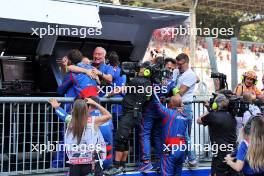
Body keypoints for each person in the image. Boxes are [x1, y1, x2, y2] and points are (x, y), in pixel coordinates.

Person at [104, 63, 152, 175]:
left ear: (146, 71)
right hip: (135, 114)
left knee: (120, 138)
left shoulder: (137, 81)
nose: (139, 70)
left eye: (141, 68)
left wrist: (109, 94)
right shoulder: (148, 83)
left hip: (130, 114)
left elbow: (122, 89)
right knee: (124, 139)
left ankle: (116, 166)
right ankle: (122, 165)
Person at [49, 98, 112, 176]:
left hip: (75, 162)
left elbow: (62, 114)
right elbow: (109, 115)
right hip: (91, 162)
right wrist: (95, 104)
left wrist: (56, 107)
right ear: (86, 109)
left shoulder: (70, 120)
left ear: (73, 109)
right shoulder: (94, 121)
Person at [197, 94, 238, 176]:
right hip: (233, 152)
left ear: (216, 105)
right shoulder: (232, 116)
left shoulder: (212, 115)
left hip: (220, 154)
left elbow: (199, 120)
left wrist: (210, 110)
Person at [152, 91, 190, 176]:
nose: (167, 103)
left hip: (169, 147)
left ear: (172, 104)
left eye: (169, 102)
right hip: (182, 148)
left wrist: (151, 87)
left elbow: (156, 102)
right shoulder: (186, 116)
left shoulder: (168, 113)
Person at [174, 53, 197, 166]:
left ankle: (192, 158)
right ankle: (186, 158)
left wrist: (171, 94)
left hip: (185, 106)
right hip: (177, 105)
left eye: (180, 64)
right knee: (181, 134)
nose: (178, 66)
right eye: (177, 64)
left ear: (186, 63)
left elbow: (180, 92)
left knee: (184, 134)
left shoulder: (190, 75)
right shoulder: (176, 71)